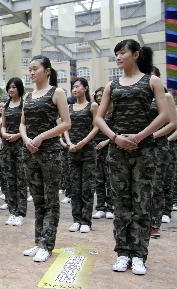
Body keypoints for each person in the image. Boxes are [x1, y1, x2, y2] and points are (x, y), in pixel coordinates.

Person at [95, 39, 168, 275]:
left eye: (122, 52)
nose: (118, 57)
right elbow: (99, 118)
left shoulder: (152, 81)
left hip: (144, 150)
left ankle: (139, 255)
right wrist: (116, 138)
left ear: (136, 54)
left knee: (141, 203)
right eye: (116, 53)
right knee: (121, 204)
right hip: (117, 152)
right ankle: (123, 253)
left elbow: (164, 114)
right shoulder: (112, 85)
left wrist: (139, 136)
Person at [20, 55, 71, 263]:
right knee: (38, 199)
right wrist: (26, 139)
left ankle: (47, 244)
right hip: (30, 151)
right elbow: (22, 123)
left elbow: (66, 124)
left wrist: (41, 137)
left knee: (51, 199)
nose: (31, 73)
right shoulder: (29, 96)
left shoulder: (56, 92)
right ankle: (39, 240)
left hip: (50, 152)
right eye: (29, 69)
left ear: (47, 71)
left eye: (35, 69)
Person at [148, 68, 177, 238]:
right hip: (141, 146)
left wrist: (153, 135)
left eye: (152, 75)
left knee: (156, 185)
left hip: (158, 146)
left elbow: (174, 123)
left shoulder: (166, 97)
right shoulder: (141, 95)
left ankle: (154, 223)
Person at [64, 78, 98, 233]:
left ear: (85, 88)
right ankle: (76, 219)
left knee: (87, 187)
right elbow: (64, 126)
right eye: (73, 87)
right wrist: (69, 142)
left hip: (88, 150)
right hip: (73, 151)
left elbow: (97, 126)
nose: (74, 89)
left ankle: (86, 221)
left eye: (77, 86)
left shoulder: (92, 106)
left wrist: (84, 141)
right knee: (74, 187)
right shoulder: (69, 107)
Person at [0, 77, 26, 226]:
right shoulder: (6, 105)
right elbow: (3, 125)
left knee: (20, 179)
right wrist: (4, 134)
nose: (11, 90)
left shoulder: (24, 104)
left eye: (14, 87)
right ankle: (12, 211)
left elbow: (26, 125)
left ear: (19, 88)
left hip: (20, 144)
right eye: (9, 87)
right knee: (9, 178)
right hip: (7, 144)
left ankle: (21, 212)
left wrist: (18, 135)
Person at [92, 87, 115, 220]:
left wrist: (106, 142)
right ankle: (100, 207)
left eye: (101, 95)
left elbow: (117, 130)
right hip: (96, 148)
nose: (99, 98)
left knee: (110, 179)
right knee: (99, 179)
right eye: (97, 96)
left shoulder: (113, 111)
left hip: (110, 146)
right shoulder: (96, 112)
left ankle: (110, 207)